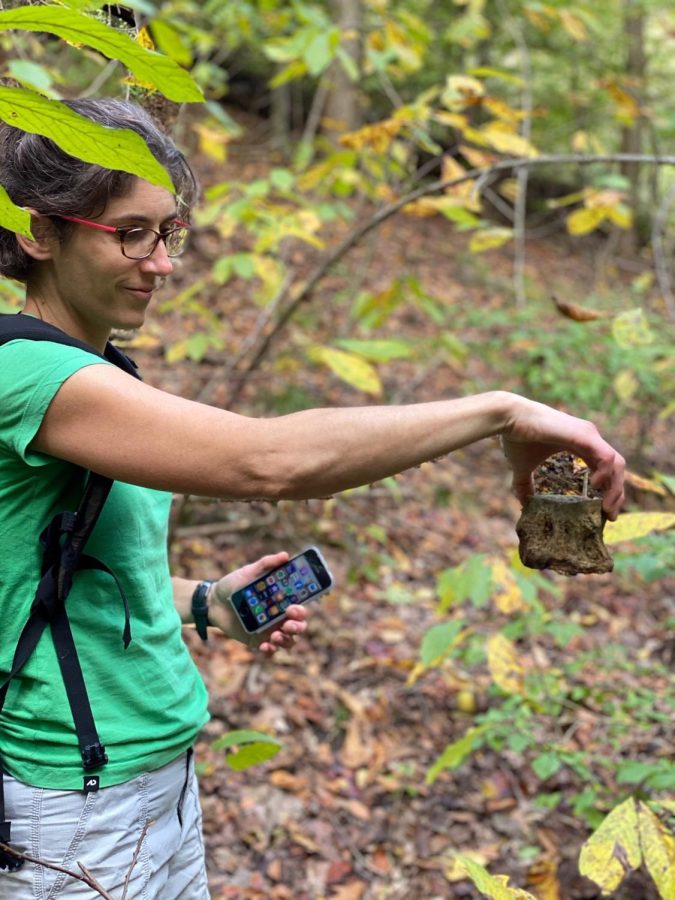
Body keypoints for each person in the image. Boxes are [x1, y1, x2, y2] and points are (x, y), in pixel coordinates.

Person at [0, 99, 625, 899]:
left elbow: (50, 573)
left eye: (168, 233)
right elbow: (268, 462)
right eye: (130, 232)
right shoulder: (25, 373)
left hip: (156, 775)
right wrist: (496, 410)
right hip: (75, 801)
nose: (161, 262)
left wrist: (206, 604)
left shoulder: (104, 373)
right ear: (38, 234)